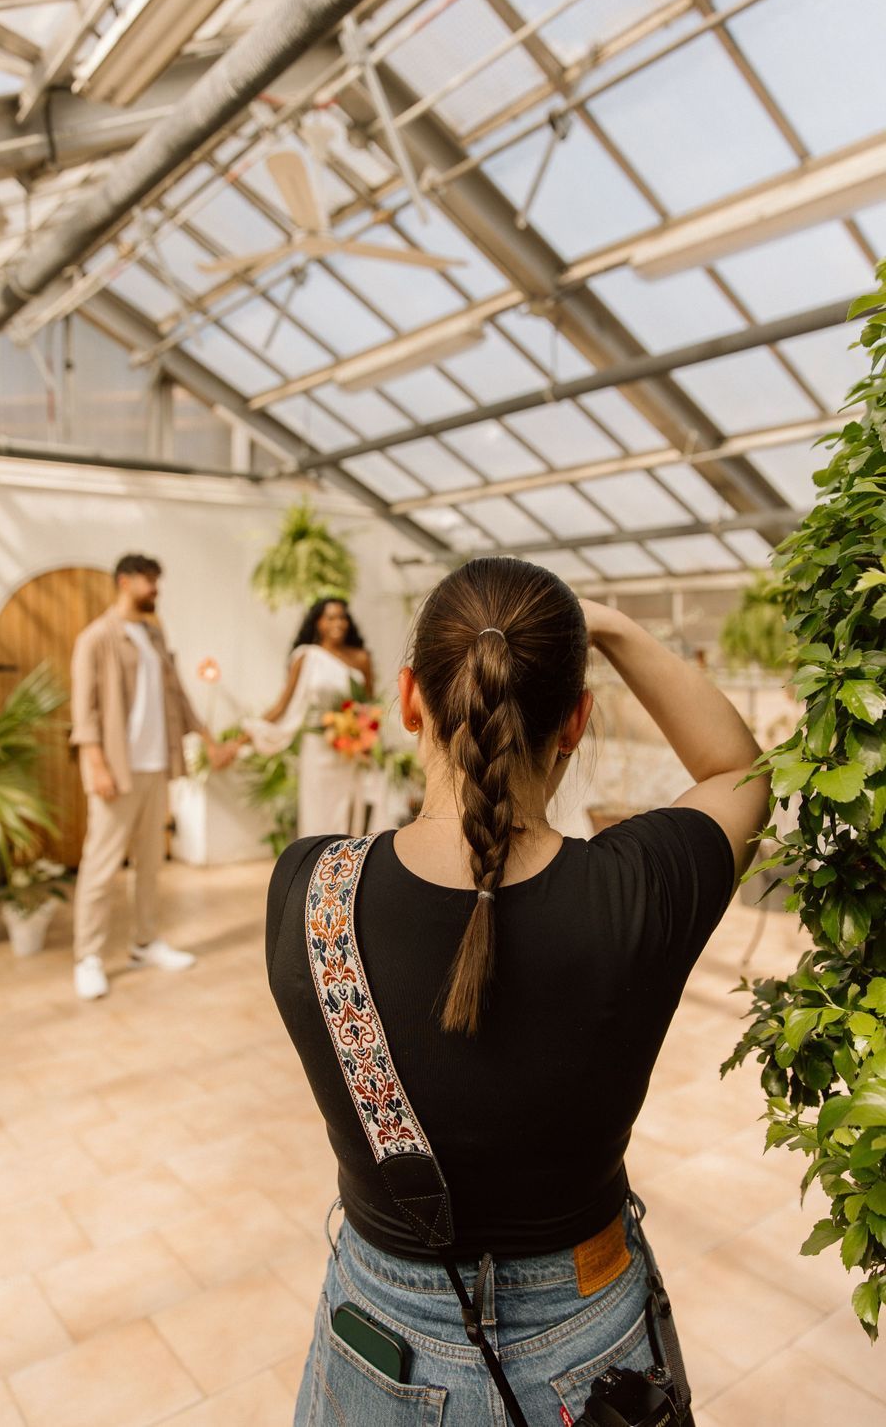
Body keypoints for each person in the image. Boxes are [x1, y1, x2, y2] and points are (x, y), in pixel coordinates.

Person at [265, 557, 771, 1426]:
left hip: (375, 1338)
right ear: (574, 720)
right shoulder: (636, 891)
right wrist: (608, 626)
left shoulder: (310, 891)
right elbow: (742, 773)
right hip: (591, 1351)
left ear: (409, 698)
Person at [70, 553, 227, 1001]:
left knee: (149, 863)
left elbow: (177, 692)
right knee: (101, 866)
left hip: (156, 766)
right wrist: (95, 764)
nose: (156, 589)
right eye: (149, 581)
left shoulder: (154, 635)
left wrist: (206, 736)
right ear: (125, 581)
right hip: (117, 769)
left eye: (157, 581)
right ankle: (88, 957)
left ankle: (144, 942)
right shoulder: (96, 638)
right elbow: (85, 711)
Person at [232, 597, 375, 837]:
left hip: (350, 752)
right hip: (318, 750)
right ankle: (315, 868)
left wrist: (366, 741)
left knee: (348, 815)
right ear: (318, 622)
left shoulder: (361, 658)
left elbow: (368, 707)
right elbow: (282, 705)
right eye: (330, 617)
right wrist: (241, 739)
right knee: (318, 816)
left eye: (342, 617)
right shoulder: (306, 657)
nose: (338, 622)